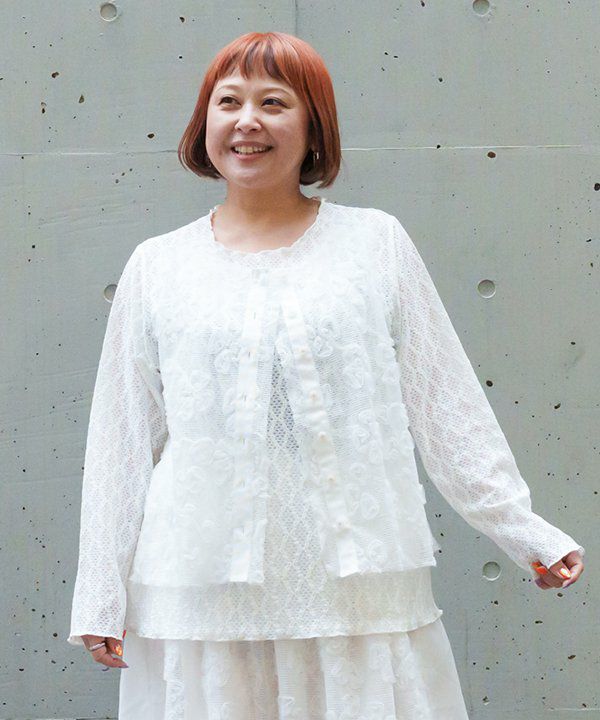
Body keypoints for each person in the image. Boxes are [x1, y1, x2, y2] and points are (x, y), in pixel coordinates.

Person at [67, 31, 585, 719]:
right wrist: (100, 592)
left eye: (273, 103)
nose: (247, 121)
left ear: (314, 127)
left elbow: (445, 401)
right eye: (229, 102)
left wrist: (524, 531)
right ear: (204, 122)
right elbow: (122, 439)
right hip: (202, 599)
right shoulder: (157, 266)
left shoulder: (375, 245)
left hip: (357, 596)